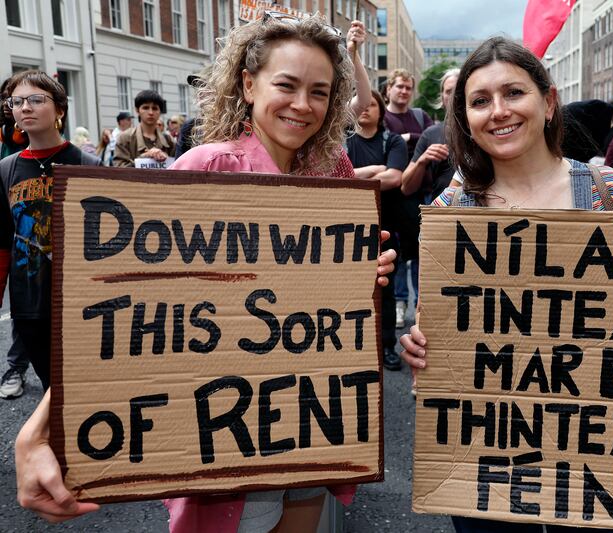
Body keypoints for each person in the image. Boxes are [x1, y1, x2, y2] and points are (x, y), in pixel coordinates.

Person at [14, 14, 396, 532]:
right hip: (229, 429)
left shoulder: (334, 173)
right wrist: (39, 430)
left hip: (309, 416)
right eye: (286, 85)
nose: (303, 104)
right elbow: (126, 309)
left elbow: (339, 298)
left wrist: (366, 274)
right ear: (248, 84)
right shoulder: (206, 167)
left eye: (319, 92)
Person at [399, 36, 613, 533]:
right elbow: (438, 324)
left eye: (513, 93)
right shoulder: (451, 211)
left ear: (548, 102)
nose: (499, 111)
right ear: (466, 118)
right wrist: (419, 345)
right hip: (488, 453)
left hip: (595, 456)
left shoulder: (609, 192)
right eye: (480, 101)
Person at [0, 70, 101, 399]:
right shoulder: (6, 169)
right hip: (29, 304)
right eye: (17, 102)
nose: (25, 107)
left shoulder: (88, 165)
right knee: (51, 390)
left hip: (81, 303)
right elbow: (2, 240)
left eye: (35, 100)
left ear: (59, 108)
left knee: (84, 390)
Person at [347, 90, 408, 370]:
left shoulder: (393, 141)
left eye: (372, 104)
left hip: (385, 227)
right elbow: (329, 177)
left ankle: (386, 347)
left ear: (381, 111)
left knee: (384, 290)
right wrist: (372, 170)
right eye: (361, 103)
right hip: (347, 226)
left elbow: (394, 178)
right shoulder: (340, 142)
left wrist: (351, 177)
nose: (365, 108)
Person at [383, 69, 434, 328]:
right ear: (389, 89)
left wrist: (407, 138)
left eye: (408, 87)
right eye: (399, 86)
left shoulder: (420, 116)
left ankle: (421, 305)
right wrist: (413, 140)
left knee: (424, 251)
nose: (404, 91)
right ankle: (400, 303)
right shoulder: (383, 117)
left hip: (424, 193)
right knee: (400, 253)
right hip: (395, 196)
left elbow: (431, 138)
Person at [400, 68, 459, 201]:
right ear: (442, 97)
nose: (453, 96)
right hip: (440, 211)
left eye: (458, 90)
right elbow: (406, 188)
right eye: (448, 91)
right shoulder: (430, 134)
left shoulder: (483, 129)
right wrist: (422, 160)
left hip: (479, 210)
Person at [113, 89, 175, 167]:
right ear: (137, 110)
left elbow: (179, 166)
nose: (151, 112)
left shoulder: (169, 140)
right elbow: (119, 168)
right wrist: (144, 157)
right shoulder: (125, 138)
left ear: (160, 111)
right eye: (145, 108)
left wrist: (166, 158)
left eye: (155, 108)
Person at [0, 78, 28, 158]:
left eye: (12, 98)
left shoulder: (44, 136)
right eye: (3, 98)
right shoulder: (4, 133)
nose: (5, 103)